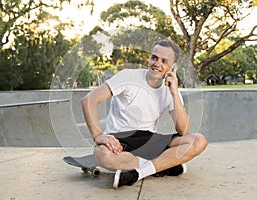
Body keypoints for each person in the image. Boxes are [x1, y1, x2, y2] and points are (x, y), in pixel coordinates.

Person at [81, 40, 208, 188]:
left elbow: (184, 130)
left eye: (164, 61)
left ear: (173, 67)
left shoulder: (170, 89)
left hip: (149, 138)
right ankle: (165, 164)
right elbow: (88, 100)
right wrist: (98, 136)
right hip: (119, 138)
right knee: (103, 156)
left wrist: (174, 93)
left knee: (198, 141)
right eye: (154, 58)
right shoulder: (128, 76)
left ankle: (138, 173)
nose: (157, 63)